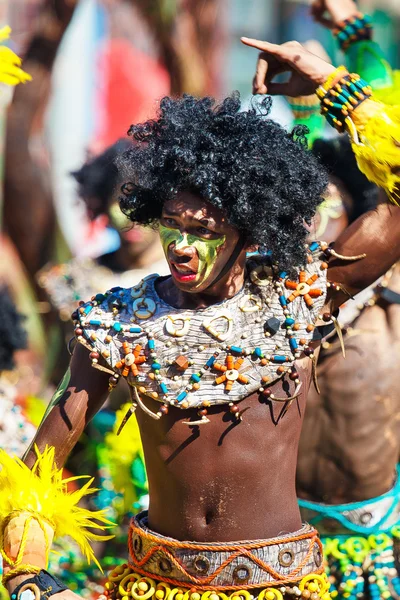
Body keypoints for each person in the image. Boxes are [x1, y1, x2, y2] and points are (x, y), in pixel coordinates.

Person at [1, 39, 400, 600]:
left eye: (206, 232)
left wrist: (337, 85)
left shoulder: (300, 295)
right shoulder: (116, 323)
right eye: (171, 224)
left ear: (249, 230)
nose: (182, 247)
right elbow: (37, 471)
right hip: (150, 584)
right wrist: (31, 580)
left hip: (281, 585)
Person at [294, 1, 400, 598]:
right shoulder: (268, 306)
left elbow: (393, 154)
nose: (311, 218)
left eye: (325, 204)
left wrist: (353, 43)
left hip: (381, 553)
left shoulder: (389, 296)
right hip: (280, 555)